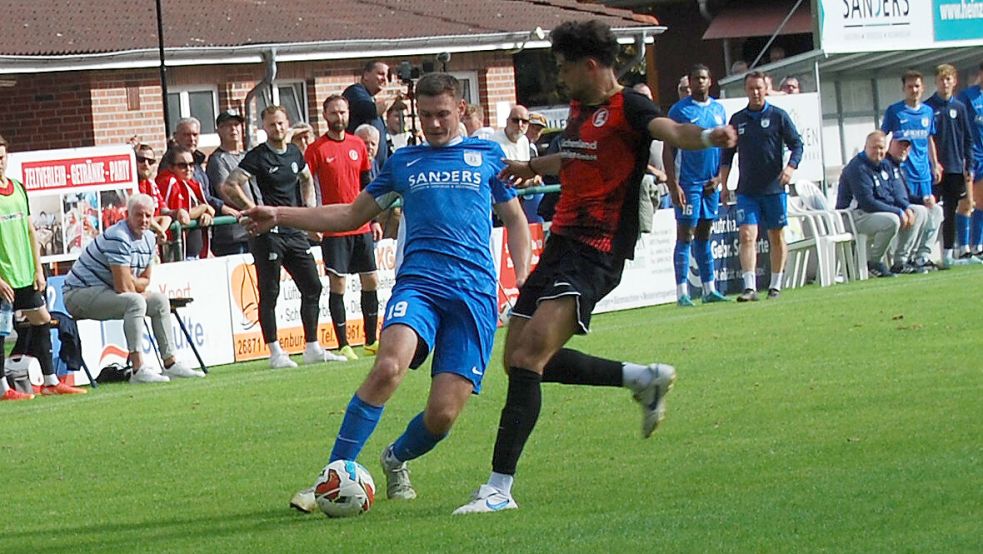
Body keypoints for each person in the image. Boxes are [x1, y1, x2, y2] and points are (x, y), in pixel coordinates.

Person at [453, 19, 736, 515]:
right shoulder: (583, 109)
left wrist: (711, 136)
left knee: (527, 360)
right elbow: (575, 154)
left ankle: (498, 489)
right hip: (562, 243)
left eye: (564, 66)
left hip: (597, 251)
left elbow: (671, 131)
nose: (559, 76)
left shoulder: (631, 107)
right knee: (518, 356)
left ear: (590, 65)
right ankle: (640, 378)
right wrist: (532, 167)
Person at [239, 72, 531, 511]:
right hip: (420, 284)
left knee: (443, 415)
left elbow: (516, 221)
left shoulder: (487, 156)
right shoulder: (404, 163)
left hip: (474, 296)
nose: (433, 124)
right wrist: (279, 213)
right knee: (388, 367)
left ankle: (395, 459)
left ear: (462, 111)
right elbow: (350, 214)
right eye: (426, 115)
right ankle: (332, 476)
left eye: (443, 115)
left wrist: (523, 278)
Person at [222, 106, 345, 368]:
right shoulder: (258, 156)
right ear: (264, 128)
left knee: (313, 285)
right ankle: (275, 352)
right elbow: (230, 184)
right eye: (271, 125)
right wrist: (252, 210)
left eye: (280, 124)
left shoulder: (294, 153)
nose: (276, 129)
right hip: (268, 234)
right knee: (270, 291)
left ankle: (312, 346)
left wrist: (308, 212)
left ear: (287, 124)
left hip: (294, 230)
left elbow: (306, 179)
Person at [62, 193, 204, 383]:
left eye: (148, 215)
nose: (144, 220)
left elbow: (145, 280)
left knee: (160, 300)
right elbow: (123, 286)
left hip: (105, 289)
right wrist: (132, 281)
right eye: (138, 215)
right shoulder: (118, 237)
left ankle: (170, 364)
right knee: (135, 301)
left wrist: (131, 280)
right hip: (78, 294)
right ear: (128, 214)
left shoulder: (149, 239)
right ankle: (138, 369)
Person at [0, 135, 86, 399]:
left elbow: (29, 230)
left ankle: (50, 381)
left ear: (7, 158)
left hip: (24, 273)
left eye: (1, 157)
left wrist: (38, 269)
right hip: (3, 277)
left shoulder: (17, 188)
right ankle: (3, 389)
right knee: (2, 330)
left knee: (42, 319)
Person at [305, 95, 383, 361]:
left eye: (343, 112)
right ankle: (344, 344)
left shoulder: (358, 145)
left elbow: (367, 184)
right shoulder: (316, 149)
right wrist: (311, 220)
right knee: (338, 284)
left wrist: (373, 219)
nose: (339, 117)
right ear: (325, 115)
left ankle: (371, 340)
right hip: (333, 226)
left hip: (360, 224)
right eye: (334, 113)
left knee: (370, 279)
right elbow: (306, 186)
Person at [719, 72, 802, 302]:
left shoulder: (778, 116)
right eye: (751, 88)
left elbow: (797, 145)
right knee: (747, 235)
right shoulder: (737, 119)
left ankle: (775, 285)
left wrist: (790, 168)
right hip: (747, 190)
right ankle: (749, 287)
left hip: (773, 189)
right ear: (746, 90)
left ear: (766, 89)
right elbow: (726, 155)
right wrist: (724, 184)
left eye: (759, 88)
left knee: (776, 235)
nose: (755, 92)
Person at [664, 64, 730, 306]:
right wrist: (673, 184)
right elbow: (668, 150)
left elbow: (724, 148)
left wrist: (720, 178)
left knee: (704, 234)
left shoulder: (718, 109)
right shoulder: (679, 111)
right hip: (688, 182)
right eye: (695, 79)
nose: (699, 82)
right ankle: (681, 292)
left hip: (710, 183)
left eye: (703, 78)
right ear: (689, 83)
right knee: (685, 234)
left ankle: (708, 289)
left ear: (710, 81)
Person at [835, 132, 920, 277]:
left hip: (872, 213)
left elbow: (891, 194)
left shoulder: (884, 165)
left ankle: (900, 261)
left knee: (916, 212)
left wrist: (905, 208)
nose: (878, 152)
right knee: (892, 221)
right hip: (852, 216)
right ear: (865, 147)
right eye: (874, 148)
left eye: (881, 148)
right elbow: (867, 203)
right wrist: (898, 212)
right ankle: (873, 263)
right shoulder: (857, 167)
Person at [880, 70, 943, 262]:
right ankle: (901, 257)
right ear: (903, 89)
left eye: (917, 86)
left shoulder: (928, 112)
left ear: (923, 88)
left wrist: (935, 164)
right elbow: (882, 136)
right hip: (904, 173)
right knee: (911, 215)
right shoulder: (895, 111)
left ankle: (921, 256)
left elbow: (929, 138)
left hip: (923, 173)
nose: (914, 90)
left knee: (932, 214)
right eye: (910, 86)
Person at [925, 64, 977, 266]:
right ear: (936, 82)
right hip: (935, 170)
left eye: (948, 79)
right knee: (931, 210)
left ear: (954, 82)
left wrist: (969, 164)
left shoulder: (960, 108)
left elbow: (968, 139)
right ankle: (926, 254)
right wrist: (933, 163)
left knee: (951, 211)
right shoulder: (929, 107)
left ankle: (949, 252)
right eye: (941, 79)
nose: (945, 83)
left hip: (955, 168)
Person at [884, 134, 937, 273]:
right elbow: (888, 195)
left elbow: (906, 195)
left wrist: (923, 199)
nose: (903, 149)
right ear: (891, 144)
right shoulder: (885, 165)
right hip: (890, 209)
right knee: (918, 211)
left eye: (906, 146)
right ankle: (901, 261)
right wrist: (905, 207)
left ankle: (922, 257)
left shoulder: (898, 166)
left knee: (936, 210)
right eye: (900, 145)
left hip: (901, 205)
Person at [158, 146, 215, 259]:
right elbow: (183, 216)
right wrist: (203, 208)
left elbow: (211, 210)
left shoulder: (193, 184)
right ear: (171, 167)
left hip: (197, 253)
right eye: (182, 165)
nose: (188, 168)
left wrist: (205, 214)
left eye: (191, 164)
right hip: (177, 252)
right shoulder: (168, 182)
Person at [206, 110, 249, 256]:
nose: (233, 129)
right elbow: (225, 193)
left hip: (252, 230)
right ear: (219, 130)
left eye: (236, 124)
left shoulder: (247, 156)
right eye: (228, 125)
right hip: (233, 235)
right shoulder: (218, 160)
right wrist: (252, 209)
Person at [343, 61, 390, 175]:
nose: (384, 79)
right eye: (380, 74)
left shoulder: (370, 98)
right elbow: (372, 111)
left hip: (378, 169)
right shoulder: (355, 91)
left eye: (387, 76)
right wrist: (395, 98)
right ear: (366, 75)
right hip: (362, 168)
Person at [134, 143, 184, 242]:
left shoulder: (152, 184)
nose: (146, 164)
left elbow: (164, 211)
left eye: (150, 161)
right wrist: (160, 230)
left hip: (150, 242)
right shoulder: (132, 186)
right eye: (141, 160)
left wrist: (178, 212)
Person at [958, 62, 983, 256]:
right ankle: (964, 247)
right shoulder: (967, 97)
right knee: (969, 201)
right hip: (971, 156)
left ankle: (977, 245)